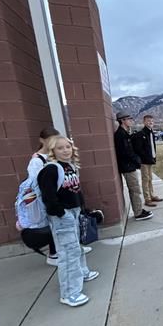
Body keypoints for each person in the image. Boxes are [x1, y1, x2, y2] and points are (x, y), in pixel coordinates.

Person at [38, 136, 99, 307]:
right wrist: (61, 213)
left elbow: (75, 191)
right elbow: (48, 197)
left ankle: (82, 273)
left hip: (74, 212)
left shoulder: (69, 166)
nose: (65, 150)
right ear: (52, 151)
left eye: (68, 147)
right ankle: (69, 293)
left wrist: (82, 209)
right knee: (67, 253)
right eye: (60, 148)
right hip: (62, 216)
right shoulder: (51, 169)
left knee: (77, 247)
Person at [19, 127, 60, 266]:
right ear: (42, 140)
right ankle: (54, 254)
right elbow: (36, 183)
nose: (54, 143)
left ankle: (62, 250)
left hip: (53, 195)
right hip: (45, 200)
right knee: (53, 225)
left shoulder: (52, 155)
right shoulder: (36, 161)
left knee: (58, 225)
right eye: (51, 140)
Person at [114, 111, 153, 221]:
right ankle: (138, 213)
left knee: (135, 189)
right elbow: (126, 152)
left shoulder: (125, 133)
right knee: (135, 190)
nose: (131, 120)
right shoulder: (121, 135)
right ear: (122, 121)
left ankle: (139, 209)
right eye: (129, 119)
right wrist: (137, 160)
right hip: (127, 167)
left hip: (129, 165)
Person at [134, 115, 163, 207]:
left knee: (150, 179)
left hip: (150, 160)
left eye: (152, 121)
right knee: (145, 180)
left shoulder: (151, 133)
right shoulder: (141, 134)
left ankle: (152, 195)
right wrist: (145, 158)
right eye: (148, 121)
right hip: (144, 161)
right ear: (144, 122)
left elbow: (151, 147)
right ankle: (147, 199)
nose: (150, 122)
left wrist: (153, 157)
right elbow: (138, 149)